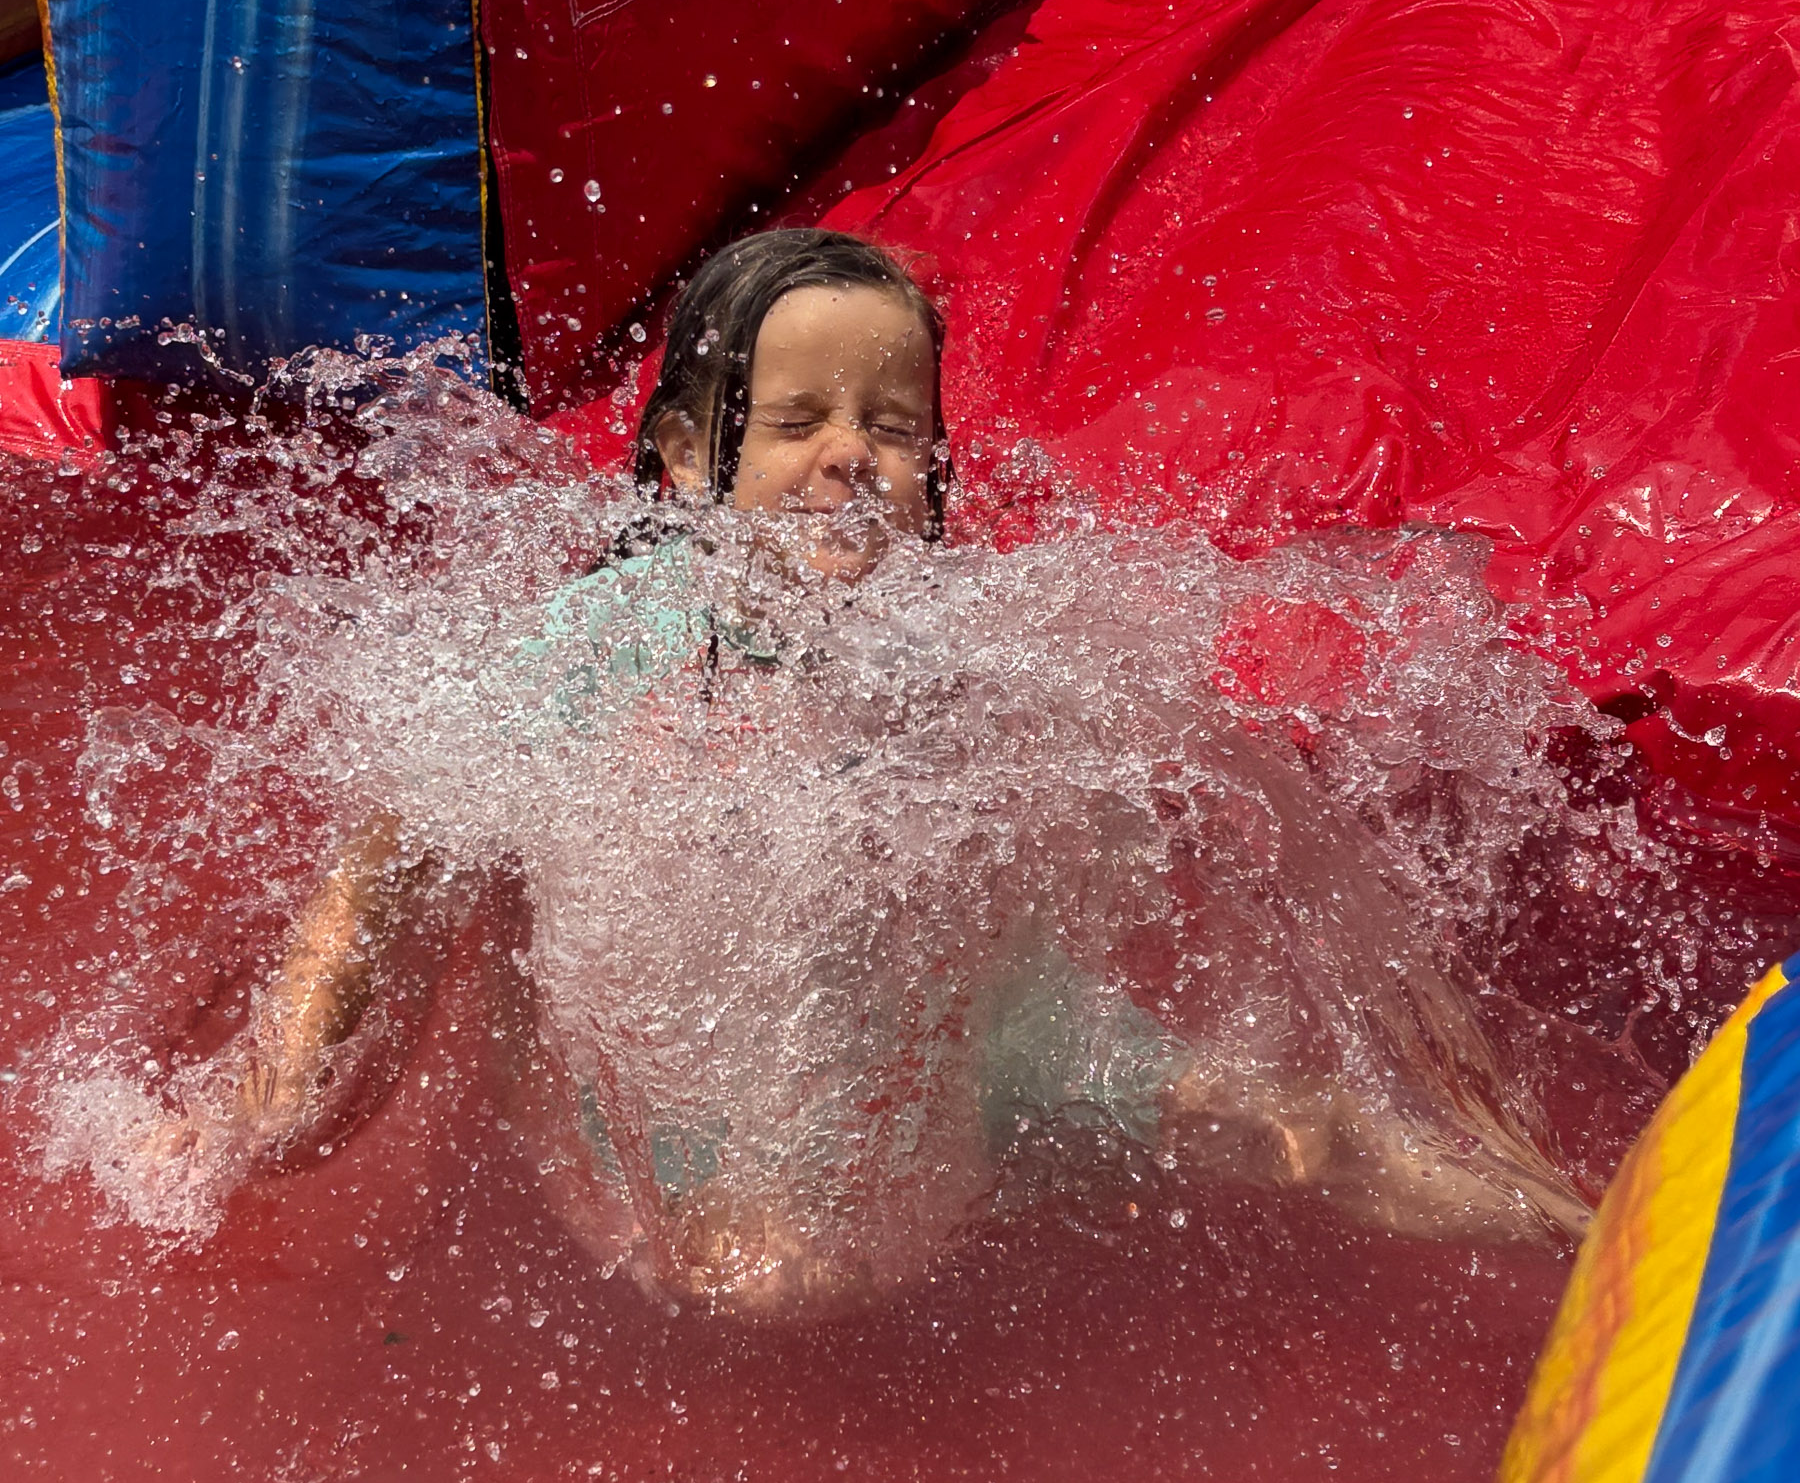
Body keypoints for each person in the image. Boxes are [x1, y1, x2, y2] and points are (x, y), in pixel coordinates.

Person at [150, 227, 1587, 1311]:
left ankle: (1620, 1236)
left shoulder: (982, 641)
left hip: (984, 1047)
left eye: (893, 427)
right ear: (683, 460)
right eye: (796, 425)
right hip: (661, 1089)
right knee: (774, 1281)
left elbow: (1171, 785)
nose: (852, 460)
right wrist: (276, 1098)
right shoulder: (603, 646)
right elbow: (402, 836)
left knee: (1303, 1128)